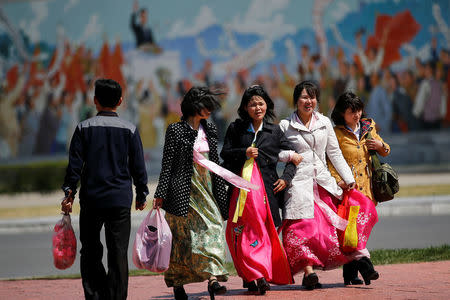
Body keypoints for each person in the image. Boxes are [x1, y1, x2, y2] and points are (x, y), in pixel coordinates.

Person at [278, 80, 377, 289]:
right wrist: (289, 155)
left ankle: (355, 260)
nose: (309, 101)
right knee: (301, 229)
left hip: (323, 183)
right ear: (296, 101)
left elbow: (334, 153)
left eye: (312, 97)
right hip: (298, 184)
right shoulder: (285, 126)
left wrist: (348, 179)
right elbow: (274, 152)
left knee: (325, 231)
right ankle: (308, 271)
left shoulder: (324, 122)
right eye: (304, 97)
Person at [60, 79, 149, 300]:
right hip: (119, 199)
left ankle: (95, 295)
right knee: (117, 252)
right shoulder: (130, 129)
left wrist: (69, 193)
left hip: (92, 199)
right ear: (120, 101)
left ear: (95, 101)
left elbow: (74, 166)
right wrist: (141, 192)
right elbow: (138, 165)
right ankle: (116, 297)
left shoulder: (83, 128)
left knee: (90, 250)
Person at [220, 85, 300, 294]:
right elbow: (226, 154)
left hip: (268, 194)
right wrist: (243, 152)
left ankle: (259, 274)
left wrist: (286, 179)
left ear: (267, 106)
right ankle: (254, 274)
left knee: (264, 233)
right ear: (245, 107)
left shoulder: (274, 131)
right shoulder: (236, 129)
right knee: (241, 234)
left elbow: (294, 157)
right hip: (241, 195)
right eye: (252, 103)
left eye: (261, 103)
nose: (257, 107)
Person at [152, 87, 230, 300]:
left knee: (213, 227)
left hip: (207, 189)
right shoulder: (175, 130)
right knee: (181, 240)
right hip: (181, 191)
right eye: (206, 105)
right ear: (195, 106)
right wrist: (160, 194)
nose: (210, 110)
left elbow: (215, 162)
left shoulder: (210, 129)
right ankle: (177, 284)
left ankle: (213, 278)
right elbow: (167, 165)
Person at [329, 91, 388, 285]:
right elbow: (330, 161)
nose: (357, 114)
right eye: (351, 111)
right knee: (352, 233)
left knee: (358, 232)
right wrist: (339, 181)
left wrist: (380, 145)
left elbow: (385, 150)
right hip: (349, 192)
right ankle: (366, 268)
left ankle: (350, 275)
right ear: (342, 113)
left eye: (359, 110)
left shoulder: (368, 127)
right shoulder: (336, 133)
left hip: (368, 191)